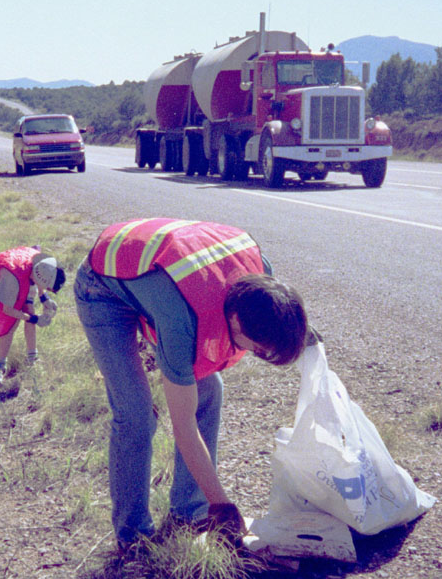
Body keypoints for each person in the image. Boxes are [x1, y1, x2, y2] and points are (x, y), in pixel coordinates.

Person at [74, 219, 308, 548]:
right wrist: (224, 507)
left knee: (210, 391)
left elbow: (282, 317)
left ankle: (190, 511)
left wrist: (297, 336)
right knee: (136, 415)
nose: (251, 353)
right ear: (237, 320)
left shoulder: (260, 277)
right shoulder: (183, 317)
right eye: (252, 347)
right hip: (102, 287)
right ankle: (134, 538)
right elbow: (183, 426)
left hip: (156, 277)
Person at [0, 247, 66, 384]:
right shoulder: (12, 280)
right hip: (3, 278)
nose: (47, 289)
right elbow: (8, 310)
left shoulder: (41, 263)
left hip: (23, 273)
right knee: (11, 323)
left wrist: (44, 298)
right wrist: (35, 319)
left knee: (29, 309)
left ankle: (32, 359)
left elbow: (38, 278)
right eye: (48, 288)